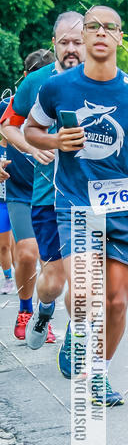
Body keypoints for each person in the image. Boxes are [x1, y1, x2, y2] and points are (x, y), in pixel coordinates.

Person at [24, 5, 128, 405]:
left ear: (120, 37)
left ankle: (99, 374)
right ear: (83, 36)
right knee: (87, 294)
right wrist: (55, 142)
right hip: (75, 203)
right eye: (93, 28)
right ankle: (83, 353)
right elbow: (29, 129)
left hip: (121, 208)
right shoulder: (57, 88)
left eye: (110, 28)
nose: (101, 33)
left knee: (117, 301)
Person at [2, 15, 85, 349]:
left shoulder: (108, 80)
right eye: (64, 42)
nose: (71, 49)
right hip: (47, 195)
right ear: (54, 43)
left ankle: (78, 348)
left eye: (77, 42)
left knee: (85, 280)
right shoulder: (36, 82)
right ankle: (42, 309)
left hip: (91, 198)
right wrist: (32, 148)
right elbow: (8, 124)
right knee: (54, 280)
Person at [0, 49, 55, 339]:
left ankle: (45, 312)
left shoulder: (60, 101)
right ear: (26, 78)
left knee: (50, 262)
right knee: (26, 253)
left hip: (53, 193)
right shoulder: (8, 107)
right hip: (20, 191)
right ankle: (25, 309)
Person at [0, 148, 15, 293]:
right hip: (1, 203)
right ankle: (8, 279)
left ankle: (26, 275)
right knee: (4, 245)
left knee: (21, 245)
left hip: (19, 200)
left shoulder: (19, 146)